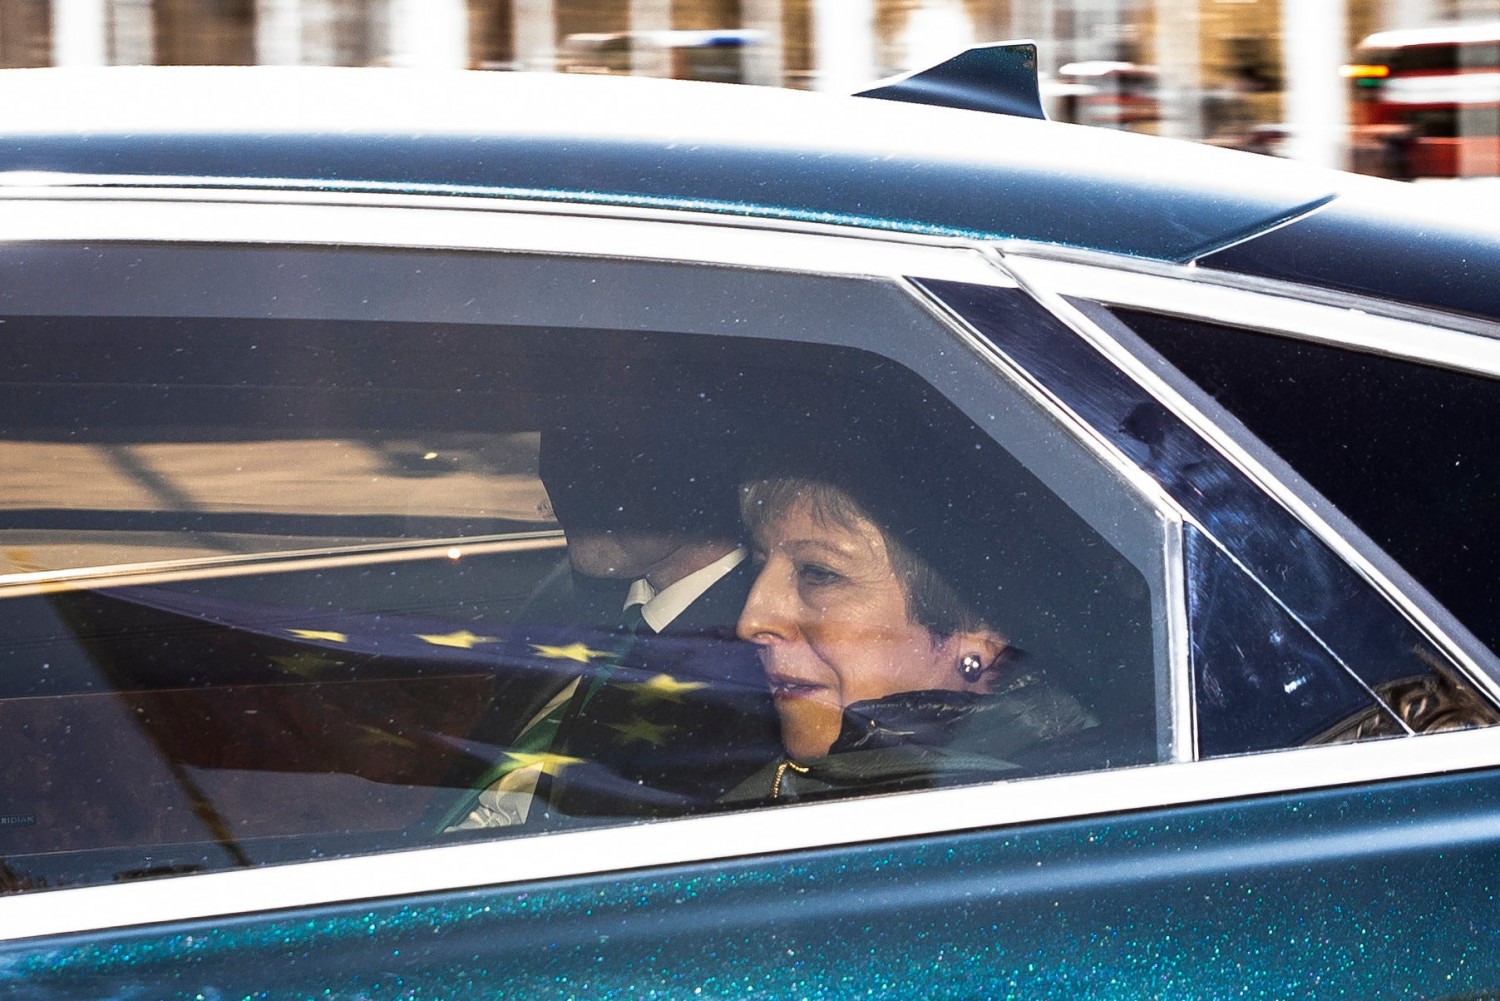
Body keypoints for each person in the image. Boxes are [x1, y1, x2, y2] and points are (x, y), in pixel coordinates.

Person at [444, 394, 780, 830]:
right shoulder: (567, 591)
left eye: (607, 463)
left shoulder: (757, 662)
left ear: (701, 476)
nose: (566, 492)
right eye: (561, 454)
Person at [726, 475, 1098, 803]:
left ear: (983, 634)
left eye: (819, 574)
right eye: (758, 566)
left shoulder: (1004, 823)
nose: (751, 621)